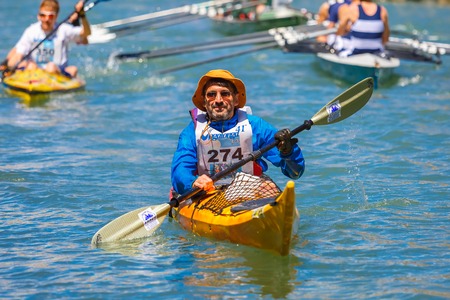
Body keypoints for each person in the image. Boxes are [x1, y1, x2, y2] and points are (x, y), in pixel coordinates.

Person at [170, 69, 305, 196]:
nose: (218, 100)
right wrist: (192, 182)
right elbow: (181, 168)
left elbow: (295, 173)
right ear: (204, 102)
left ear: (235, 100)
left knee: (268, 187)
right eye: (211, 94)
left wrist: (288, 152)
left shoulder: (256, 126)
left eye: (225, 94)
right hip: (207, 191)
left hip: (249, 187)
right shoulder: (191, 132)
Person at [6, 0, 91, 78]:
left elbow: (87, 33)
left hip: (57, 72)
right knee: (29, 65)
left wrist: (82, 15)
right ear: (38, 16)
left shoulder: (63, 29)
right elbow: (19, 54)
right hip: (34, 73)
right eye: (43, 15)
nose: (46, 19)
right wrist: (10, 66)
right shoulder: (31, 31)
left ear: (56, 16)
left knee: (51, 67)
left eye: (50, 16)